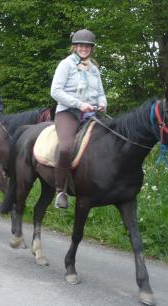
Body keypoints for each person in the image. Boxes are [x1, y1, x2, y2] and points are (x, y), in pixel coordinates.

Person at [50, 29, 107, 209]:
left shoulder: (94, 69)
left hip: (90, 114)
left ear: (91, 48)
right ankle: (60, 191)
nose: (84, 48)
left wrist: (102, 103)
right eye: (81, 45)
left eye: (87, 46)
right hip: (68, 113)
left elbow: (100, 93)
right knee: (66, 148)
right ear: (75, 47)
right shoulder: (65, 65)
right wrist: (79, 104)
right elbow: (55, 91)